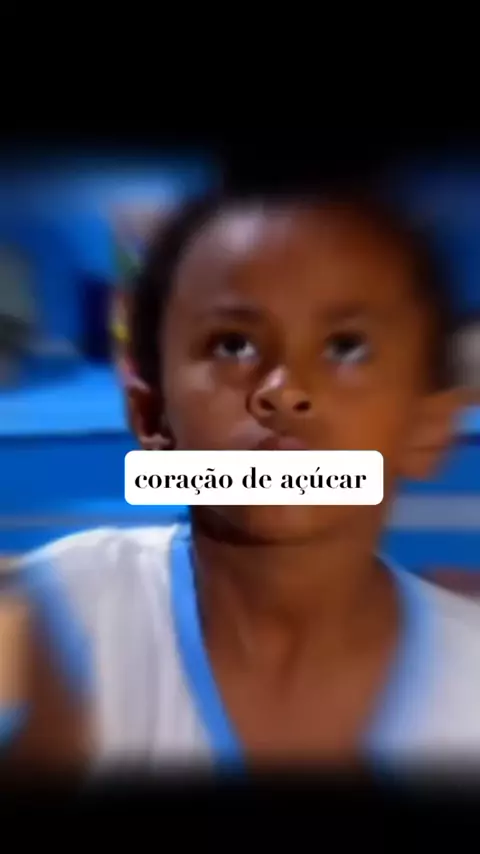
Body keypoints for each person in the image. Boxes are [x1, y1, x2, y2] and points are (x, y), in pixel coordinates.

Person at [2, 185, 480, 775]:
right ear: (151, 415)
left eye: (346, 348)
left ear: (426, 426)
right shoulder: (72, 609)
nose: (284, 391)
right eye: (233, 345)